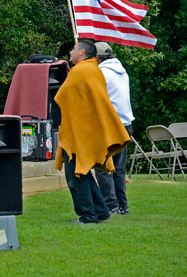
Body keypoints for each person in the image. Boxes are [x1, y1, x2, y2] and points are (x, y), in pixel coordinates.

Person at [54, 39, 130, 224]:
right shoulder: (93, 70)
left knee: (75, 176)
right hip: (85, 131)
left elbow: (61, 97)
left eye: (73, 48)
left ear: (81, 52)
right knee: (84, 173)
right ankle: (102, 212)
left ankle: (88, 216)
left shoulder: (81, 71)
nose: (70, 52)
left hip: (79, 134)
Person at [94, 42, 134, 215]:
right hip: (126, 125)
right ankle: (122, 206)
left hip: (110, 125)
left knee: (103, 167)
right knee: (118, 168)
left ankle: (110, 206)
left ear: (97, 57)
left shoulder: (101, 72)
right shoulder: (122, 72)